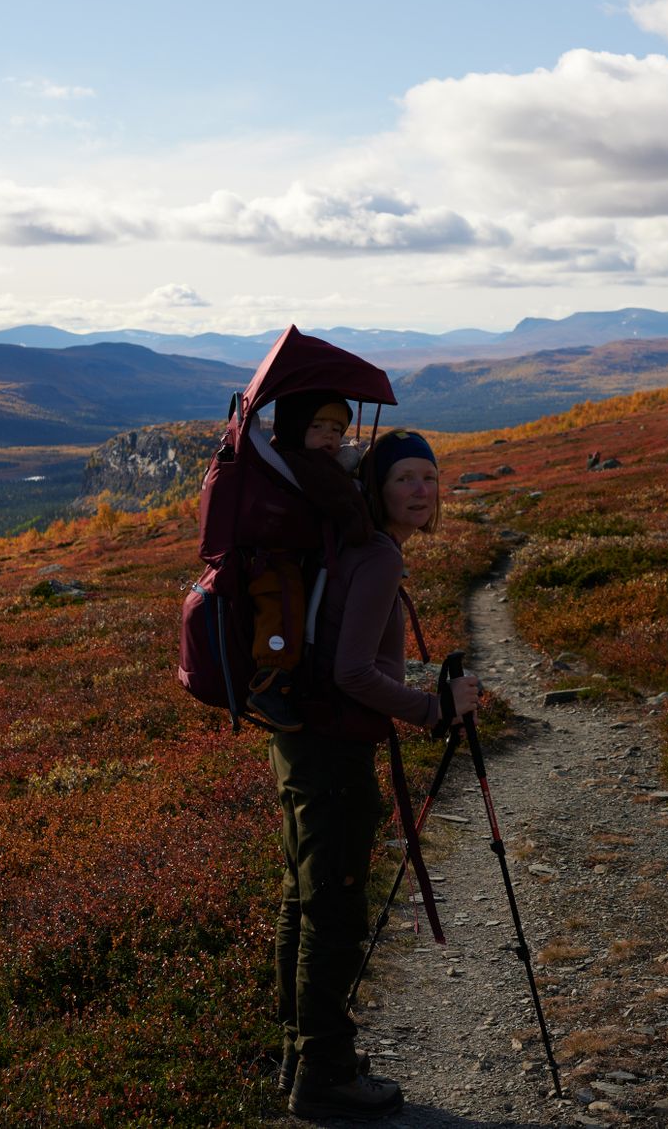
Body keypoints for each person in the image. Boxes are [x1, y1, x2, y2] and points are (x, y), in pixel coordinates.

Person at [272, 428, 483, 1121]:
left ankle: (301, 1052)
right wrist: (434, 708)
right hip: (333, 757)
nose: (420, 491)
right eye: (404, 479)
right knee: (332, 914)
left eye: (429, 477)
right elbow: (354, 672)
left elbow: (350, 659)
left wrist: (423, 690)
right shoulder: (378, 556)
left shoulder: (352, 545)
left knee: (304, 903)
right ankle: (324, 1077)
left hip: (301, 743)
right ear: (377, 487)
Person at [240, 392, 372, 734]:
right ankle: (270, 682)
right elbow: (336, 497)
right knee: (284, 608)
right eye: (317, 426)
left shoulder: (312, 462)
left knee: (293, 608)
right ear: (295, 427)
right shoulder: (297, 463)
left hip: (290, 555)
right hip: (273, 559)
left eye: (336, 429)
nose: (329, 435)